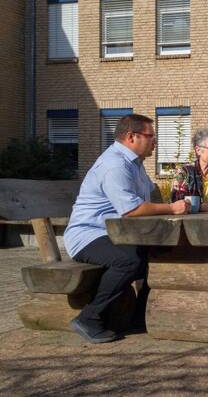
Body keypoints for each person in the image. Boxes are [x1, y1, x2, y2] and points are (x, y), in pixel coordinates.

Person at [64, 114, 190, 344]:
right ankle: (89, 318)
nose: (155, 142)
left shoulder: (135, 164)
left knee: (160, 252)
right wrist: (172, 208)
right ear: (131, 137)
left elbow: (147, 200)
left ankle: (139, 315)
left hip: (116, 233)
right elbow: (131, 209)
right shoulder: (115, 165)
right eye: (150, 136)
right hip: (88, 235)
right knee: (130, 260)